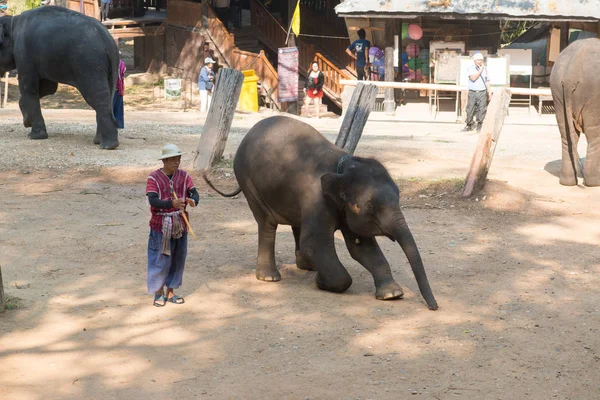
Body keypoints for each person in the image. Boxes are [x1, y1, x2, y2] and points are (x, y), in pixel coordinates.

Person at [146, 144, 199, 307]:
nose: (177, 163)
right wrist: (171, 203)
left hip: (180, 224)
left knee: (178, 258)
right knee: (160, 258)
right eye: (173, 160)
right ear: (165, 161)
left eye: (178, 159)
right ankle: (158, 292)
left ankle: (171, 292)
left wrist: (193, 200)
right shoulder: (153, 178)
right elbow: (153, 200)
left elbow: (194, 193)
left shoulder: (184, 176)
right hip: (161, 225)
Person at [462, 52, 490, 133]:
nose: (480, 61)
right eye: (478, 60)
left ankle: (480, 124)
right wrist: (480, 71)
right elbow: (473, 78)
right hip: (473, 91)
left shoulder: (485, 69)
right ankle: (469, 124)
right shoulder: (471, 68)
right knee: (470, 108)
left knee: (482, 109)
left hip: (482, 91)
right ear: (474, 61)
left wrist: (489, 92)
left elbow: (487, 81)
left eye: (481, 60)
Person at [113, 55, 126, 129]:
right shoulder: (122, 64)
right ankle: (118, 125)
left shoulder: (115, 64)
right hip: (119, 89)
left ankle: (111, 125)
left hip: (114, 89)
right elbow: (122, 77)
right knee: (118, 108)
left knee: (111, 108)